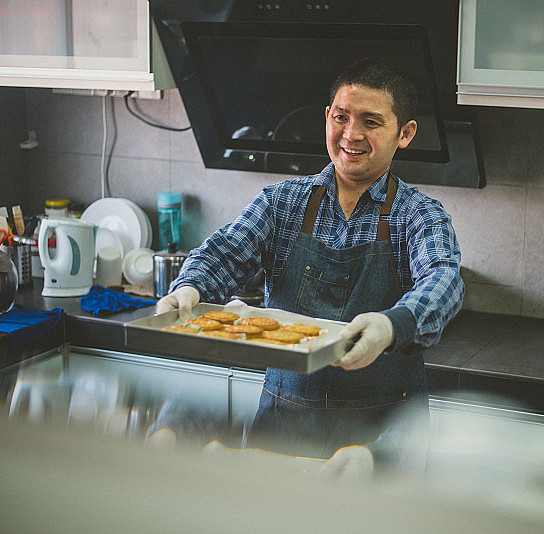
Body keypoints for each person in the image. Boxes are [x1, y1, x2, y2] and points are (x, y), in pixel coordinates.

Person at [156, 56, 464, 459]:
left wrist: (390, 327)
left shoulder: (419, 215)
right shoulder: (281, 203)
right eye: (341, 117)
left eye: (371, 122)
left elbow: (443, 282)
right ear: (327, 117)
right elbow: (223, 254)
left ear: (404, 134)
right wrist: (188, 288)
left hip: (382, 445)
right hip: (281, 431)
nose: (351, 134)